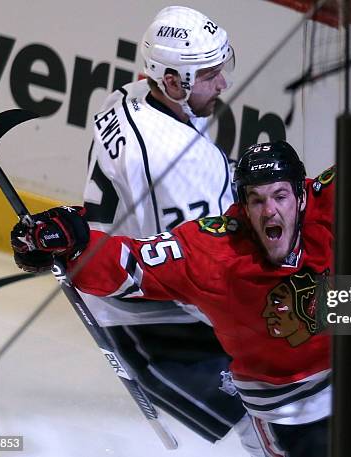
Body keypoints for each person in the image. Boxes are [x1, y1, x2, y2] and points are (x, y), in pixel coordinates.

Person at [11, 38, 351, 456]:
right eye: (255, 200)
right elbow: (127, 264)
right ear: (242, 206)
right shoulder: (213, 249)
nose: (269, 211)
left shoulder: (344, 202)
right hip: (293, 421)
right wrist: (71, 238)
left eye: (279, 196)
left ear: (302, 194)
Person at [79, 5, 264, 453]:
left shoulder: (127, 95)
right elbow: (197, 279)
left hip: (127, 284)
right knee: (272, 416)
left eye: (224, 67)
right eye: (209, 74)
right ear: (172, 81)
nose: (223, 83)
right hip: (158, 328)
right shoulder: (176, 164)